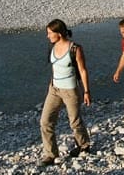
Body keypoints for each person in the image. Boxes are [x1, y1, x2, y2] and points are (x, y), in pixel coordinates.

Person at [39, 19, 91, 166]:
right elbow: (55, 67)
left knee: (74, 121)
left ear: (59, 34)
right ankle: (50, 154)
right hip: (54, 89)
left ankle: (84, 145)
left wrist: (86, 91)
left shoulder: (75, 48)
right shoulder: (52, 47)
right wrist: (51, 84)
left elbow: (82, 70)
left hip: (70, 90)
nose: (47, 36)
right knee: (45, 121)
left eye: (50, 33)